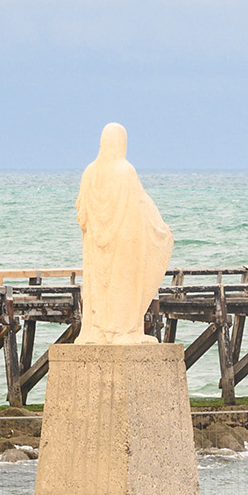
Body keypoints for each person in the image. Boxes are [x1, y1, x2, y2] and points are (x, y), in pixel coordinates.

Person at [74, 123, 174, 344]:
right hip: (124, 243)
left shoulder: (89, 172)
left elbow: (81, 212)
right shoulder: (125, 170)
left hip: (94, 246)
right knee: (123, 285)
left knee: (98, 287)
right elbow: (140, 205)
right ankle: (123, 332)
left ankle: (97, 331)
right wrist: (161, 230)